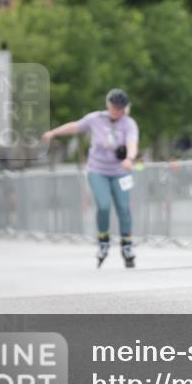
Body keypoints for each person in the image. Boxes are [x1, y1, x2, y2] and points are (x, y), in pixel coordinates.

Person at [42, 89, 140, 268]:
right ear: (107, 104)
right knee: (103, 205)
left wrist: (130, 158)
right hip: (98, 170)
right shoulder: (96, 119)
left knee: (124, 208)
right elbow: (75, 126)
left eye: (119, 108)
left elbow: (132, 143)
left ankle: (127, 244)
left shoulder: (129, 124)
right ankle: (103, 240)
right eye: (113, 107)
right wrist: (53, 133)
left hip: (121, 171)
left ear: (124, 109)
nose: (115, 111)